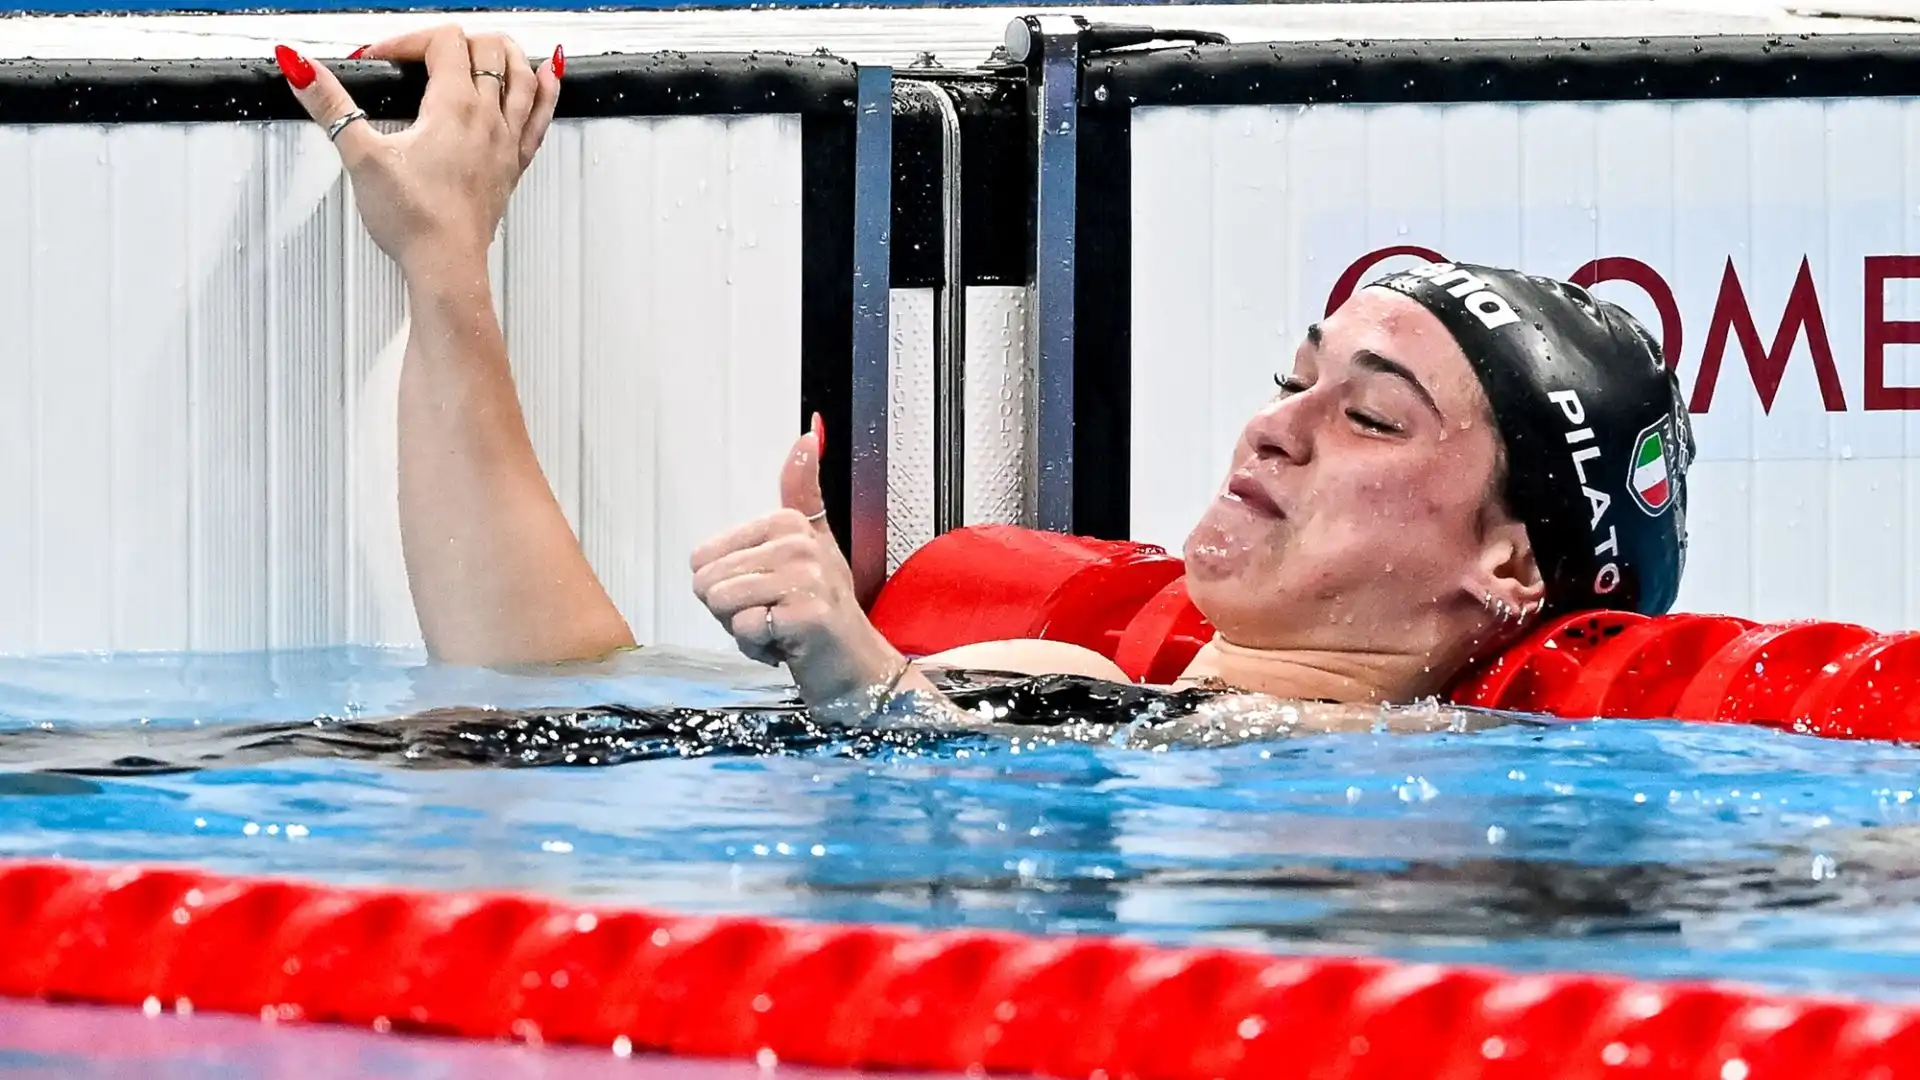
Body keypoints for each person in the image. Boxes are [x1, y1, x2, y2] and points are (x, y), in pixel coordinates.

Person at [276, 28, 1694, 729]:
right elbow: (552, 705)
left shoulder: (1393, 788)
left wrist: (876, 695)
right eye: (1297, 377)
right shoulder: (1089, 684)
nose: (1275, 427)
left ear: (1512, 567)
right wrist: (445, 268)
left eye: (1370, 414)